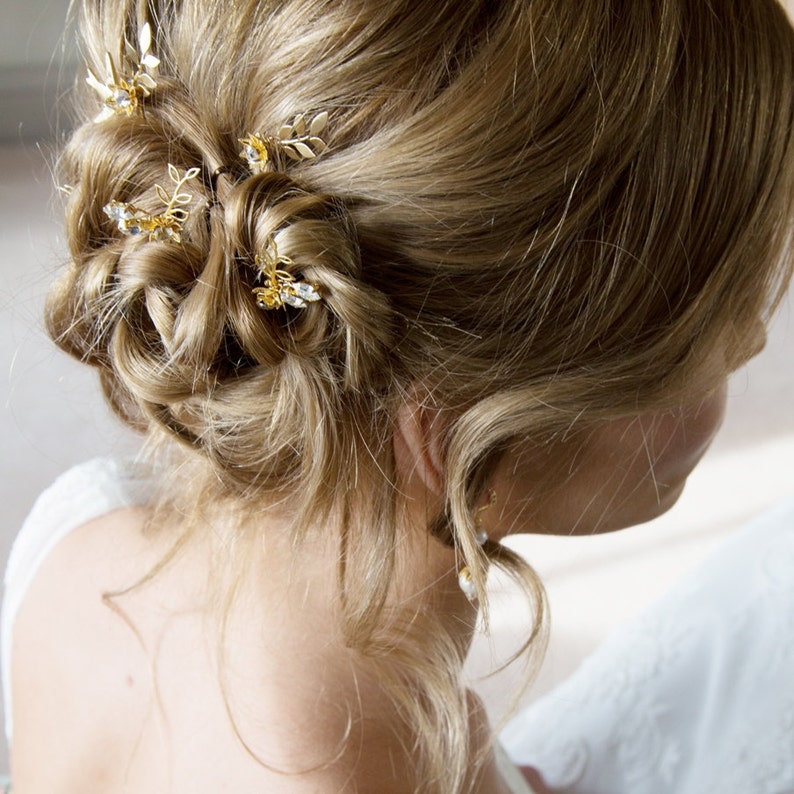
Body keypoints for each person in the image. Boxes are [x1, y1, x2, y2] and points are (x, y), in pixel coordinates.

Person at [3, 0, 793, 792]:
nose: (757, 343)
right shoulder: (388, 767)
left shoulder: (79, 539)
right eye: (718, 321)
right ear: (459, 427)